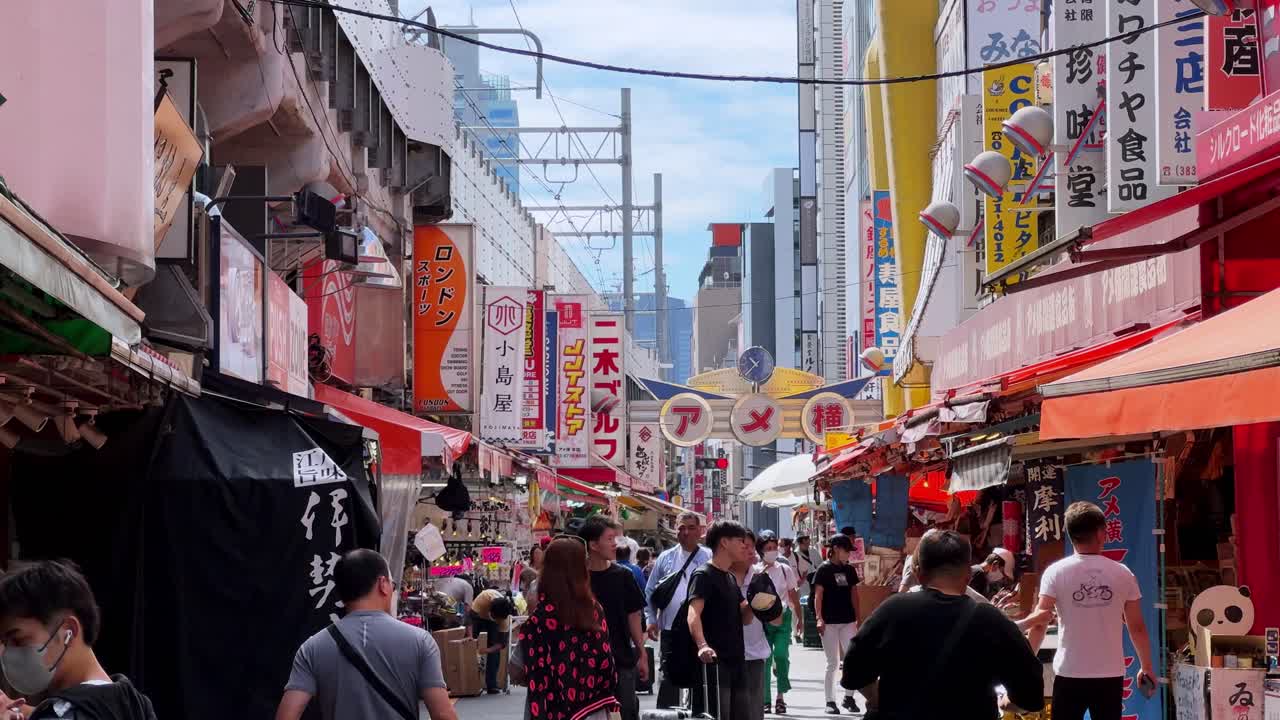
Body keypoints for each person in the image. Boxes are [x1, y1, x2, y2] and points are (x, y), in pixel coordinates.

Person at [841, 531, 1044, 719]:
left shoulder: (892, 610)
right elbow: (1031, 694)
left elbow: (853, 667)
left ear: (917, 573)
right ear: (968, 574)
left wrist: (879, 701)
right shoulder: (991, 620)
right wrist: (1008, 703)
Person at [278, 549, 457, 720]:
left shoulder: (312, 648)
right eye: (393, 585)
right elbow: (442, 715)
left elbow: (286, 716)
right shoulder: (420, 640)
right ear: (383, 585)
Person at [1018, 502, 1155, 720]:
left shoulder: (1055, 573)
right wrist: (1146, 666)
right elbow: (1136, 627)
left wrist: (1026, 666)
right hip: (1110, 674)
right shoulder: (1123, 574)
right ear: (1101, 533)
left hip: (1069, 671)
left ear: (1070, 534)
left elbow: (1039, 623)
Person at [0, 561, 156, 720]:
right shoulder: (135, 704)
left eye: (17, 640)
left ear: (69, 631)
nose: (7, 653)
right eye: (4, 643)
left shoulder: (68, 714)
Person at [519, 537, 620, 720]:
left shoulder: (539, 618)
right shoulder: (594, 611)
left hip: (548, 710)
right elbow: (606, 662)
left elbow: (517, 667)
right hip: (592, 708)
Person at [580, 516, 648, 720]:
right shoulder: (578, 579)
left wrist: (642, 653)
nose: (615, 544)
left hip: (621, 659)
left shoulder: (624, 576)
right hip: (585, 663)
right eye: (609, 539)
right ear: (593, 544)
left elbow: (634, 616)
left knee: (625, 713)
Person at [687, 520, 755, 719]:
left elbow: (746, 618)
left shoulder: (730, 577)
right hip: (714, 666)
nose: (745, 546)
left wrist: (759, 602)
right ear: (724, 542)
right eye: (740, 541)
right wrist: (702, 645)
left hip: (737, 662)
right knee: (717, 714)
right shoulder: (703, 574)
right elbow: (693, 614)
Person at [646, 512, 713, 710]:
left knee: (701, 680)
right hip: (670, 629)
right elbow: (650, 592)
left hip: (702, 630)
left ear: (700, 531)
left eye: (691, 527)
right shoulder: (665, 558)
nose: (685, 532)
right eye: (681, 527)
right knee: (668, 679)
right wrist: (651, 619)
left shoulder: (709, 557)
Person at [813, 535, 860, 715]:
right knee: (832, 662)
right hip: (829, 622)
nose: (849, 554)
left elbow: (854, 595)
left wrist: (858, 617)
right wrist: (819, 618)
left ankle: (849, 697)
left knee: (852, 659)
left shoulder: (850, 570)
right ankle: (830, 701)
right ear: (837, 548)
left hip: (848, 621)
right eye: (847, 550)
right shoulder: (823, 570)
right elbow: (819, 595)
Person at [755, 534, 802, 715]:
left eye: (774, 547)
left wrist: (800, 620)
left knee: (781, 656)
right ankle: (766, 699)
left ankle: (780, 696)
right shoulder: (755, 570)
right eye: (768, 548)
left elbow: (793, 595)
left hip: (783, 618)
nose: (772, 551)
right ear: (761, 550)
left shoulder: (784, 569)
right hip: (763, 621)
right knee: (765, 660)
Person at [731, 531, 772, 720]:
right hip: (725, 656)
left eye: (751, 546)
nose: (749, 551)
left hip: (754, 653)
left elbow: (775, 618)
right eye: (744, 546)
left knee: (754, 710)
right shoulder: (718, 576)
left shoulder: (760, 576)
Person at [900, 529, 989, 603]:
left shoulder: (896, 609)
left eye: (907, 539)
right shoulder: (987, 613)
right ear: (969, 575)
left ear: (918, 574)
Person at [469, 588, 513, 695]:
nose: (494, 618)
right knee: (470, 645)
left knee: (494, 650)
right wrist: (470, 637)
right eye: (493, 616)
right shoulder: (484, 599)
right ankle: (469, 682)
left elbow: (502, 644)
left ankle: (492, 685)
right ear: (490, 610)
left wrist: (487, 650)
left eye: (497, 618)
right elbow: (469, 618)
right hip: (478, 616)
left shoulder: (504, 620)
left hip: (492, 621)